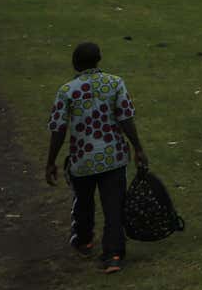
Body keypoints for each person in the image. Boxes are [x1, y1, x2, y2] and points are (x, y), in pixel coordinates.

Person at [45, 42, 148, 274]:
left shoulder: (67, 90)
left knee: (83, 202)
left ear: (75, 63)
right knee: (114, 206)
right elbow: (126, 118)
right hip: (113, 156)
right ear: (99, 59)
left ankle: (84, 241)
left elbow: (59, 129)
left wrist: (51, 161)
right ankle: (113, 255)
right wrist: (138, 147)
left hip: (82, 160)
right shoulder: (115, 83)